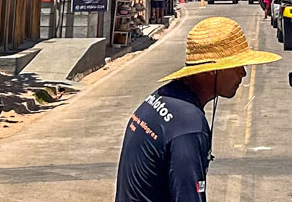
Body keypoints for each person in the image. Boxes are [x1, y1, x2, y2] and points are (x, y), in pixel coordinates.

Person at [114, 17, 277, 202]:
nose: (243, 73)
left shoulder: (164, 97)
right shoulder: (189, 126)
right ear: (211, 70)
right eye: (237, 66)